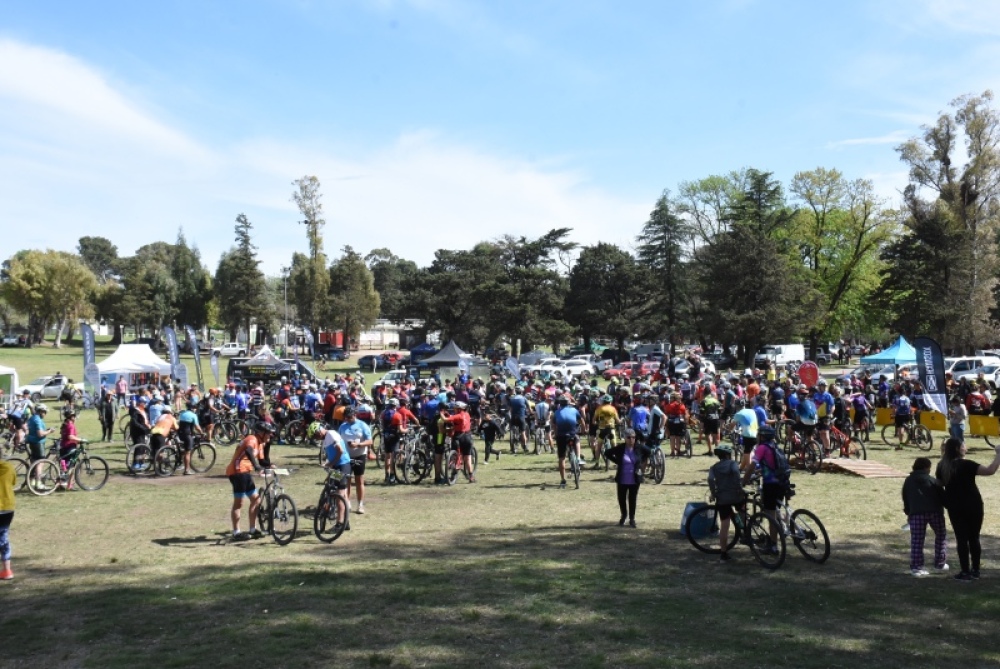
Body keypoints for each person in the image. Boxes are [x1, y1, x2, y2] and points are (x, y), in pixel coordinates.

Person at [936, 438, 1000, 581]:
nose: (966, 447)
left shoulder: (942, 466)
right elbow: (990, 470)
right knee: (974, 537)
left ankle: (965, 572)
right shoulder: (967, 465)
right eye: (964, 446)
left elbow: (939, 484)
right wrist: (999, 455)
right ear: (958, 449)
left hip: (955, 506)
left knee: (961, 539)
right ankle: (976, 570)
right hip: (974, 504)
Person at [224, 422, 273, 540]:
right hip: (238, 471)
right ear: (261, 433)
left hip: (245, 472)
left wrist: (271, 464)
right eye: (268, 434)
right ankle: (236, 532)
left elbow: (262, 462)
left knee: (256, 500)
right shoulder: (252, 439)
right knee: (239, 502)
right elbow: (248, 451)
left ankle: (252, 529)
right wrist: (256, 466)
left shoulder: (260, 444)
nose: (270, 436)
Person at [902, 457, 948, 577]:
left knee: (917, 540)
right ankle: (940, 562)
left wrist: (908, 512)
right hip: (935, 512)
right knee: (941, 535)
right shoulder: (932, 480)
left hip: (916, 513)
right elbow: (942, 496)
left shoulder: (908, 481)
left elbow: (905, 497)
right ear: (926, 467)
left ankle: (916, 567)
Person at [603, 429, 650, 528]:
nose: (631, 439)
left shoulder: (639, 448)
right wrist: (618, 461)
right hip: (622, 478)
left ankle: (632, 519)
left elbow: (648, 452)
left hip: (634, 478)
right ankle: (623, 515)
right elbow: (607, 453)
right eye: (629, 437)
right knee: (621, 498)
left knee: (632, 499)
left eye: (633, 437)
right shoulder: (621, 448)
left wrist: (641, 462)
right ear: (625, 438)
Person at [708, 443, 744, 562]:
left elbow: (710, 479)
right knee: (742, 508)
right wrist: (739, 487)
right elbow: (736, 473)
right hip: (736, 496)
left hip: (722, 498)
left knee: (725, 526)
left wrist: (713, 493)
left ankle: (723, 553)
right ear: (729, 455)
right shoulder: (733, 464)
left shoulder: (714, 467)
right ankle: (744, 527)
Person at [338, 408, 373, 514]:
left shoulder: (362, 425)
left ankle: (360, 504)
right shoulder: (342, 426)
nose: (347, 419)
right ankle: (347, 502)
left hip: (359, 455)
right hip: (346, 456)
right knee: (346, 479)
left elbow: (370, 441)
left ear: (354, 415)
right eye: (346, 417)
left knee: (359, 480)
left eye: (349, 417)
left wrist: (358, 445)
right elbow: (338, 439)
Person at [552, 396, 586, 488]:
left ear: (560, 403)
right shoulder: (574, 410)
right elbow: (581, 421)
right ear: (568, 403)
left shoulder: (556, 412)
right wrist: (583, 430)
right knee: (577, 439)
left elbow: (554, 424)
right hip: (572, 434)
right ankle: (578, 458)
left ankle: (563, 480)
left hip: (561, 436)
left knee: (561, 458)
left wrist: (556, 434)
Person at [26, 404, 54, 490]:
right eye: (44, 412)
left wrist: (45, 430)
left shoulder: (32, 418)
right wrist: (49, 431)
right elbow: (40, 434)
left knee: (34, 462)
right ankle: (39, 483)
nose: (45, 414)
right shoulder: (37, 420)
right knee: (40, 463)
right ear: (41, 411)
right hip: (38, 443)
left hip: (31, 442)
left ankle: (32, 482)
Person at [176, 402, 203, 475]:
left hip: (180, 434)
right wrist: (202, 432)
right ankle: (187, 470)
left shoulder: (182, 413)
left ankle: (180, 463)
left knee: (183, 450)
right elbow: (197, 427)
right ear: (193, 409)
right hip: (187, 435)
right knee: (188, 452)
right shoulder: (193, 415)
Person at [0, 457, 15, 579]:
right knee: (3, 537)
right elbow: (13, 482)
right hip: (8, 507)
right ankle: (7, 570)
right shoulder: (8, 466)